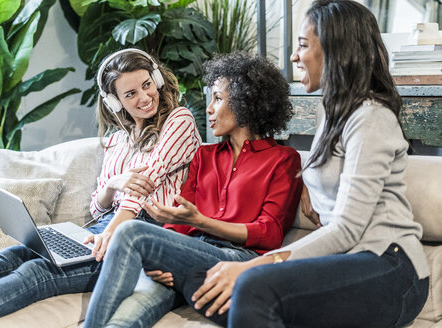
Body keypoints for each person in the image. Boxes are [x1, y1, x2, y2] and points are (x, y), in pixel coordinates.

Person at [183, 1, 430, 327]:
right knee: (199, 279)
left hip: (390, 265)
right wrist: (307, 186)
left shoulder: (370, 117)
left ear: (335, 50)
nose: (293, 57)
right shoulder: (329, 112)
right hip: (344, 262)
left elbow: (347, 228)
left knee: (251, 285)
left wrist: (255, 266)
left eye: (302, 45)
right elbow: (332, 172)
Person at [0, 48, 202, 327]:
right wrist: (112, 185)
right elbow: (98, 206)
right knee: (14, 254)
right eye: (130, 94)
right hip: (106, 226)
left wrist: (110, 234)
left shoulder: (179, 120)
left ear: (156, 79)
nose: (144, 97)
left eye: (146, 85)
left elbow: (144, 185)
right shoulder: (117, 140)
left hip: (145, 232)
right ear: (115, 102)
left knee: (36, 273)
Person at [82, 52, 303, 328]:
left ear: (247, 101)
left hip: (236, 257)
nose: (208, 109)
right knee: (126, 318)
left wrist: (200, 222)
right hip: (192, 253)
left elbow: (269, 234)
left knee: (130, 231)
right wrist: (167, 254)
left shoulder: (283, 159)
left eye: (218, 99)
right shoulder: (204, 156)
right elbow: (180, 221)